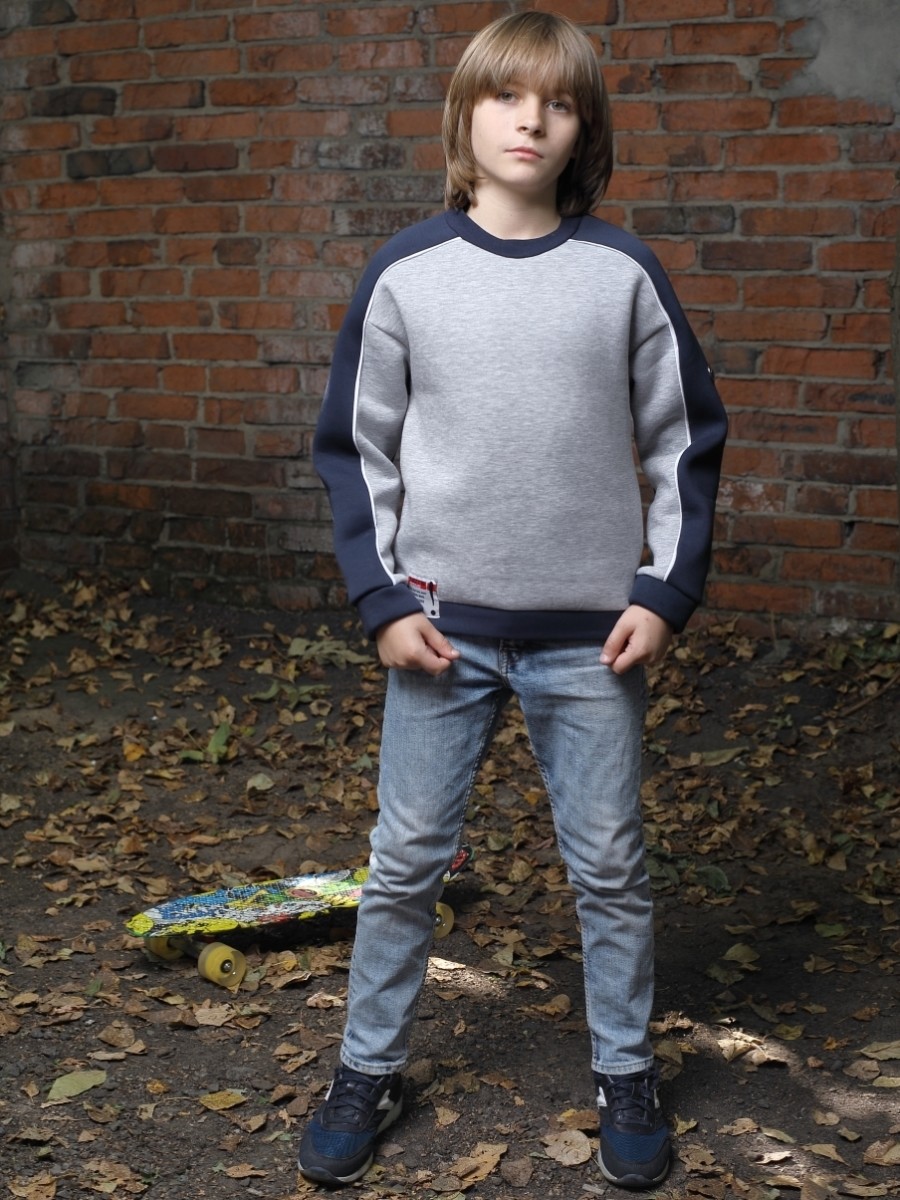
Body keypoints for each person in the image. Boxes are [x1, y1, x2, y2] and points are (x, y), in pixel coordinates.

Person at [298, 9, 727, 1192]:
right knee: (405, 860)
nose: (529, 120)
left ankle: (625, 1070)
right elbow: (357, 450)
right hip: (441, 636)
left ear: (584, 128)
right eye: (505, 96)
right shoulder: (407, 274)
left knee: (610, 865)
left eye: (558, 102)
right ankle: (368, 1068)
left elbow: (685, 439)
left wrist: (665, 589)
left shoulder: (622, 274)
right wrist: (383, 597)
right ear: (465, 116)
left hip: (593, 641)